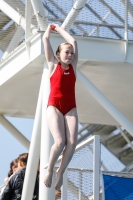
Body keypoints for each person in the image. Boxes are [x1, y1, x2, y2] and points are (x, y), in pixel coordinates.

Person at [43, 24, 78, 190]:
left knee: (72, 142)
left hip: (71, 107)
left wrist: (60, 28)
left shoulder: (73, 67)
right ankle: (49, 168)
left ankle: (60, 172)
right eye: (66, 52)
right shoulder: (53, 64)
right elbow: (45, 39)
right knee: (60, 141)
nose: (70, 55)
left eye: (72, 53)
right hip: (54, 106)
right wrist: (51, 30)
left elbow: (73, 40)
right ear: (58, 54)